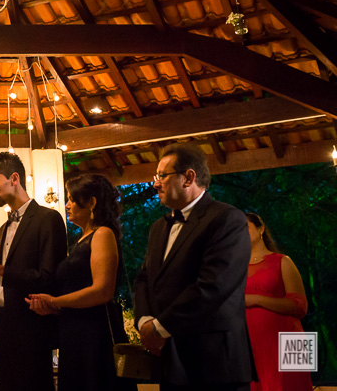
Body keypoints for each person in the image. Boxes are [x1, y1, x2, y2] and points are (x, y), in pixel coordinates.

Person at [134, 142, 254, 391]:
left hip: (215, 363)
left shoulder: (227, 219)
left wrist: (159, 328)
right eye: (156, 177)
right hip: (170, 360)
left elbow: (213, 285)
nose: (156, 184)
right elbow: (145, 279)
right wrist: (144, 321)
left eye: (162, 176)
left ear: (189, 177)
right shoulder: (159, 227)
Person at [0, 152, 67, 391]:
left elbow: (49, 278)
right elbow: (3, 283)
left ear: (14, 178)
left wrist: (1, 269)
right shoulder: (3, 228)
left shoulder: (47, 218)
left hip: (32, 330)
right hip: (2, 329)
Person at [26, 175, 136, 391]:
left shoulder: (103, 234)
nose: (67, 205)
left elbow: (102, 291)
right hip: (75, 331)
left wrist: (55, 301)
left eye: (72, 199)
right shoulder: (81, 240)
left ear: (92, 203)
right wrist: (53, 309)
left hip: (95, 334)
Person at [245, 213, 312, 391]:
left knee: (292, 385)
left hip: (288, 341)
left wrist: (257, 299)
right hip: (249, 342)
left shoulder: (283, 261)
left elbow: (300, 306)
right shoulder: (233, 267)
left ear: (261, 228)